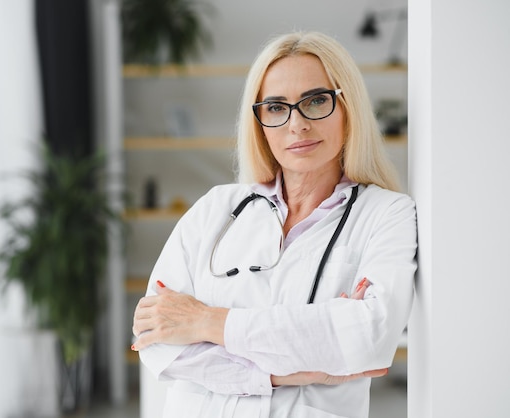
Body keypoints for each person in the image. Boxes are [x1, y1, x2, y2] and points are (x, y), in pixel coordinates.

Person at [131, 31, 417, 418]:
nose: (296, 124)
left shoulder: (387, 214)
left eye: (316, 100)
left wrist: (205, 321)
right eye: (276, 107)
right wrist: (288, 372)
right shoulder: (216, 207)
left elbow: (369, 337)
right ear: (260, 121)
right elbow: (155, 338)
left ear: (348, 108)